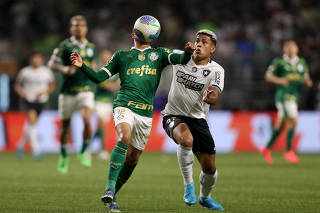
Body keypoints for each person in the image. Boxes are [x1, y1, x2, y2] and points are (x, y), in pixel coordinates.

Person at [70, 15, 195, 212]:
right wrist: (82, 66)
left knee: (133, 158)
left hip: (145, 113)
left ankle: (112, 197)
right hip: (124, 105)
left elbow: (181, 58)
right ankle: (109, 188)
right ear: (134, 34)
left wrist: (188, 52)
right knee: (124, 136)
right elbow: (98, 77)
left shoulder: (160, 54)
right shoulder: (121, 56)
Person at [162, 29, 224, 210]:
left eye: (204, 42)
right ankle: (188, 185)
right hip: (173, 114)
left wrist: (209, 97)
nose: (199, 44)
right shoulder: (181, 57)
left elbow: (215, 94)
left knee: (210, 168)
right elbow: (159, 57)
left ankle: (205, 197)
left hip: (198, 119)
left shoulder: (217, 70)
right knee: (186, 139)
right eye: (197, 41)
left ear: (212, 49)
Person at [48, 15, 97, 174]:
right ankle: (63, 155)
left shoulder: (92, 46)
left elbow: (93, 64)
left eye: (82, 25)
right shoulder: (65, 45)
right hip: (68, 91)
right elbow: (51, 63)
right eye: (76, 26)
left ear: (86, 28)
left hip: (85, 89)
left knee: (87, 119)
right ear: (71, 28)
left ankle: (83, 151)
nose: (79, 28)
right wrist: (64, 69)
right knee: (66, 126)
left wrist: (95, 72)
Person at [260, 40, 313, 164]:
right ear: (284, 49)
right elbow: (268, 76)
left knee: (281, 125)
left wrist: (308, 82)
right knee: (293, 120)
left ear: (297, 49)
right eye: (288, 47)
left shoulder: (301, 63)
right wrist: (280, 81)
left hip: (295, 96)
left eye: (293, 47)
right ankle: (288, 151)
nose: (290, 49)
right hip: (283, 96)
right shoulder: (279, 62)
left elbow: (306, 78)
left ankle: (266, 148)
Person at [15, 52, 55, 160]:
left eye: (38, 58)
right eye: (34, 58)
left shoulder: (46, 72)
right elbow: (17, 85)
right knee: (32, 123)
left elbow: (52, 86)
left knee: (32, 125)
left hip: (41, 101)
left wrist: (44, 92)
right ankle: (36, 151)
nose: (36, 60)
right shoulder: (25, 72)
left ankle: (20, 145)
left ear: (42, 60)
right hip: (29, 100)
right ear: (30, 60)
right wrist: (22, 93)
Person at [90, 50, 120, 160]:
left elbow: (118, 85)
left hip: (109, 102)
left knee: (101, 127)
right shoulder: (99, 69)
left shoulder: (115, 70)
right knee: (102, 123)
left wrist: (110, 85)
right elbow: (105, 85)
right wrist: (110, 85)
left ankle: (87, 147)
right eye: (103, 55)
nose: (105, 57)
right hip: (98, 100)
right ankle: (102, 150)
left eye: (107, 55)